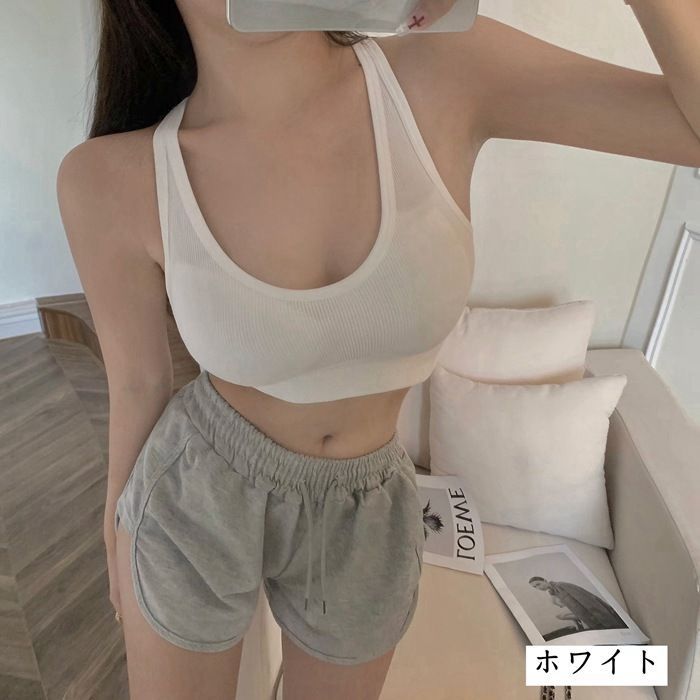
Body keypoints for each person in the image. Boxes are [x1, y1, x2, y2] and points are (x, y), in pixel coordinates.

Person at [56, 1, 700, 698]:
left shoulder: (443, 72)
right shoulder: (109, 177)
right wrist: (116, 531)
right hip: (196, 496)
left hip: (368, 508)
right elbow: (139, 383)